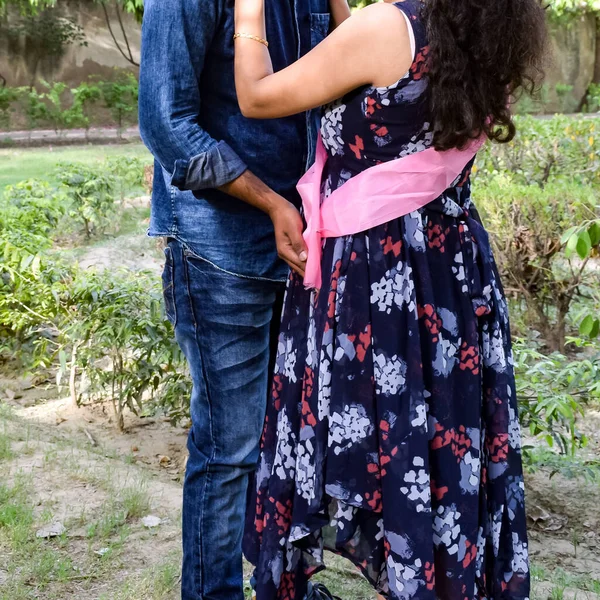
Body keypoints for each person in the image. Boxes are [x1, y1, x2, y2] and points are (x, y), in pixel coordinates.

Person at [233, 0, 547, 598]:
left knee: (375, 444)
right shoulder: (485, 33)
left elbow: (256, 96)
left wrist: (250, 12)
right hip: (450, 275)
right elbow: (381, 71)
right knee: (432, 451)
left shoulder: (386, 29)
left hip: (377, 284)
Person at [137, 1, 352, 598]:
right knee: (229, 448)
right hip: (219, 247)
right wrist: (272, 203)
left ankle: (284, 584)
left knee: (289, 438)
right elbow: (165, 124)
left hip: (306, 240)